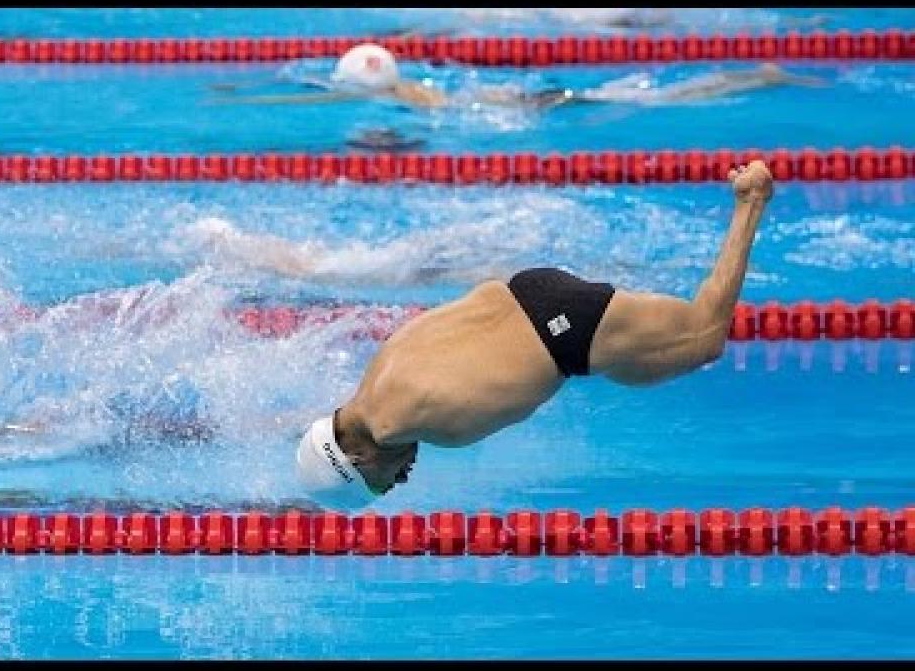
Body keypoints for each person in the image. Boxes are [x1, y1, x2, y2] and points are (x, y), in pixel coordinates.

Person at [294, 160, 774, 508]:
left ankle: (750, 199)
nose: (398, 483)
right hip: (531, 289)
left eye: (379, 486)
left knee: (704, 337)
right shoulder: (371, 384)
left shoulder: (399, 422)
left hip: (567, 328)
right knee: (639, 372)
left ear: (356, 460)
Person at [210, 43, 827, 112]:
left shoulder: (413, 97)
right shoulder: (401, 86)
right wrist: (246, 92)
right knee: (647, 96)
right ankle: (751, 76)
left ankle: (752, 77)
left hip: (529, 106)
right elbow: (311, 93)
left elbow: (317, 96)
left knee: (660, 100)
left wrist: (244, 95)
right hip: (517, 99)